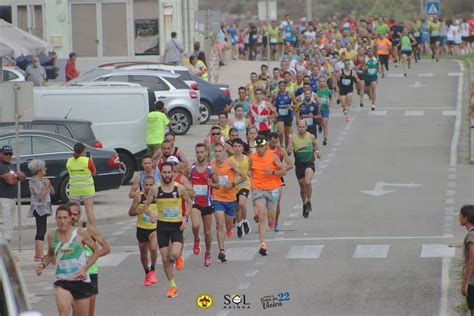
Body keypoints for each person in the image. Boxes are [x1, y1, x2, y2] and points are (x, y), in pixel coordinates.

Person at [35, 205, 103, 316]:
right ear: (56, 219)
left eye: (65, 217)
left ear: (70, 218)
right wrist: (42, 265)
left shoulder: (80, 233)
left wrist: (85, 268)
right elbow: (50, 255)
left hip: (81, 281)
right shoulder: (52, 235)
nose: (62, 221)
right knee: (63, 313)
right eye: (59, 218)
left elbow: (96, 251)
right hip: (63, 281)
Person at [145, 162, 192, 298]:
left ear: (173, 173)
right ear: (161, 174)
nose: (166, 175)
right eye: (164, 173)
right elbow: (145, 206)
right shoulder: (155, 189)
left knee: (175, 253)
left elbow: (189, 202)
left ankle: (178, 257)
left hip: (176, 226)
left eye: (168, 172)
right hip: (162, 227)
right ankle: (172, 286)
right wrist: (150, 213)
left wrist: (185, 217)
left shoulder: (180, 188)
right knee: (165, 259)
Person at [68, 201, 110, 316]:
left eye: (75, 214)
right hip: (71, 273)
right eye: (70, 214)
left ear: (80, 215)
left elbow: (106, 248)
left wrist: (91, 258)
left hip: (90, 272)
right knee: (75, 310)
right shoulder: (63, 233)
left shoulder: (88, 229)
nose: (73, 217)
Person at [250, 136, 286, 256]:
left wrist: (273, 172)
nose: (259, 149)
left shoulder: (273, 156)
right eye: (257, 146)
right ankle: (262, 244)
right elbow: (248, 171)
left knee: (271, 218)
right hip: (258, 189)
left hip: (273, 189)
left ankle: (272, 223)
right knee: (261, 216)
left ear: (265, 146)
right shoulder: (252, 157)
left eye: (261, 146)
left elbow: (284, 170)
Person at [209, 143, 244, 262]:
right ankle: (221, 251)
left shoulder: (230, 163)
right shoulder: (211, 165)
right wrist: (213, 184)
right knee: (219, 223)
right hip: (217, 199)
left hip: (230, 199)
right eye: (216, 151)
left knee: (228, 224)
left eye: (220, 151)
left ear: (224, 152)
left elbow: (243, 177)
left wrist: (233, 184)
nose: (218, 153)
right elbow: (208, 180)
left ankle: (230, 229)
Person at [287, 120, 321, 218]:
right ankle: (304, 203)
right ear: (297, 127)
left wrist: (317, 152)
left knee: (308, 181)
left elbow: (315, 144)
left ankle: (309, 201)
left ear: (306, 127)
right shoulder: (293, 138)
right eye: (299, 127)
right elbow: (288, 151)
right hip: (299, 165)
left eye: (303, 127)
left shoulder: (310, 136)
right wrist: (293, 149)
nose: (301, 129)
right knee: (302, 189)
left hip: (309, 163)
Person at [129, 176, 158, 286]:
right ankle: (147, 273)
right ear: (143, 185)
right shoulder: (138, 196)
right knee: (143, 253)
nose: (149, 187)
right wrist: (138, 211)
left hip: (154, 228)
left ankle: (153, 270)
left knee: (154, 248)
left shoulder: (157, 196)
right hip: (141, 228)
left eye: (151, 185)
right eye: (146, 185)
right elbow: (130, 212)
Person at [189, 144, 214, 267]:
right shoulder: (191, 168)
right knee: (195, 225)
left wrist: (212, 184)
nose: (199, 154)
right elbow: (186, 184)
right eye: (197, 152)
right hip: (195, 203)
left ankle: (208, 253)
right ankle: (196, 238)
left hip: (208, 203)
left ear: (206, 153)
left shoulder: (211, 169)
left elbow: (218, 184)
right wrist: (189, 191)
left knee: (208, 232)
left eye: (201, 152)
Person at [27, 159, 54, 261]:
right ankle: (39, 254)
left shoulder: (44, 180)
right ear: (39, 169)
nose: (45, 169)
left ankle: (38, 253)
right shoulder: (33, 181)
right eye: (44, 167)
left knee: (43, 229)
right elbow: (40, 196)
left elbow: (52, 192)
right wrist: (46, 185)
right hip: (38, 208)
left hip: (45, 208)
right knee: (41, 230)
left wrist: (49, 184)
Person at [267, 133, 293, 232]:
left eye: (276, 142)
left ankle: (276, 222)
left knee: (276, 202)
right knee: (266, 202)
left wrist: (278, 172)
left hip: (277, 180)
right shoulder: (264, 150)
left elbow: (290, 165)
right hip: (264, 180)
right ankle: (268, 218)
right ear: (269, 140)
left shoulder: (281, 150)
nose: (275, 144)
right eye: (273, 142)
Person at [0, 145, 26, 243]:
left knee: (10, 222)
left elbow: (23, 176)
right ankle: (4, 246)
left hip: (12, 198)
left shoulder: (11, 165)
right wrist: (17, 177)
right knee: (6, 222)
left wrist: (17, 176)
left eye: (10, 154)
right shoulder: (1, 166)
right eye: (5, 153)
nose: (8, 156)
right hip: (3, 198)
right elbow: (10, 180)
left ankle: (7, 245)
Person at [67, 143, 96, 226]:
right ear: (83, 151)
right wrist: (91, 161)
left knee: (74, 212)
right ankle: (93, 232)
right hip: (87, 190)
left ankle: (73, 231)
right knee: (89, 211)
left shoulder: (69, 161)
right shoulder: (87, 161)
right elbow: (93, 172)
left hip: (74, 190)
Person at [229, 138, 251, 238]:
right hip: (234, 186)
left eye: (239, 146)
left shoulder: (247, 158)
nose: (237, 148)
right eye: (235, 146)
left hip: (245, 184)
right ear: (232, 148)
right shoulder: (229, 160)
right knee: (237, 207)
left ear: (242, 148)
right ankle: (239, 225)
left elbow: (251, 170)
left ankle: (245, 221)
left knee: (241, 203)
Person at [460, 205, 474, 316]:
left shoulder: (471, 236)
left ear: (466, 218)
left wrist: (465, 282)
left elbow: (472, 260)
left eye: (460, 215)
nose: (458, 217)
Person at [272, 80, 295, 148]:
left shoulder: (290, 94)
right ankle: (281, 145)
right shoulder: (275, 94)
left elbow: (296, 104)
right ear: (278, 87)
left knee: (287, 135)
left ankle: (286, 148)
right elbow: (270, 103)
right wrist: (274, 111)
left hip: (288, 116)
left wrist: (291, 106)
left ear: (285, 86)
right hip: (280, 116)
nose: (281, 87)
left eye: (283, 85)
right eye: (280, 86)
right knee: (281, 132)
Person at [317, 79, 333, 145]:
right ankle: (319, 125)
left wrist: (330, 103)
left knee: (325, 123)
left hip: (325, 109)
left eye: (323, 81)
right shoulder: (316, 91)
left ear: (325, 83)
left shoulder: (328, 91)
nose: (322, 83)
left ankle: (325, 138)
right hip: (318, 110)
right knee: (320, 122)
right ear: (318, 83)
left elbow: (331, 97)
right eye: (320, 81)